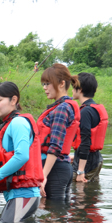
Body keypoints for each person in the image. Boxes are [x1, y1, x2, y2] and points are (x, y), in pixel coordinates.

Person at [0, 82, 44, 223]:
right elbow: (8, 162)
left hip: (24, 195)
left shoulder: (18, 123)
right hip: (17, 195)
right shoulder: (8, 124)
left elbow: (22, 156)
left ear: (14, 100)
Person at [37, 64, 81, 200]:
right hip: (62, 167)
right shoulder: (64, 106)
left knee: (54, 216)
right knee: (59, 215)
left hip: (54, 170)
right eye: (43, 84)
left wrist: (43, 176)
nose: (44, 88)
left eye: (48, 84)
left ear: (62, 84)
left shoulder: (62, 109)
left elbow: (55, 146)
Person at [71, 72, 108, 182]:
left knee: (79, 194)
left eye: (74, 87)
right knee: (91, 193)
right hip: (96, 160)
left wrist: (80, 171)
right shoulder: (93, 108)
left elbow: (85, 141)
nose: (72, 90)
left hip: (87, 164)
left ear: (80, 89)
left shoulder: (86, 111)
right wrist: (76, 156)